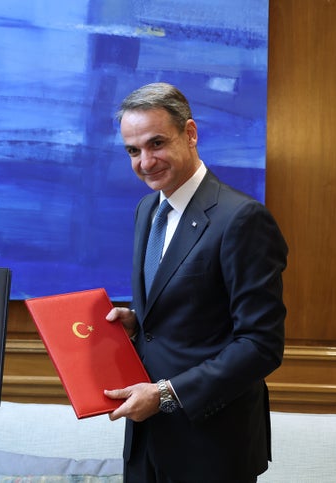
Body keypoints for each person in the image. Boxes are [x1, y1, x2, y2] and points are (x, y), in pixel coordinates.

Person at [104, 82, 288, 483]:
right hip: (146, 443)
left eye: (156, 144)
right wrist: (137, 323)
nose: (145, 161)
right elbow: (185, 311)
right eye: (133, 151)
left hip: (212, 450)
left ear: (190, 134)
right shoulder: (147, 209)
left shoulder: (242, 219)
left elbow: (262, 344)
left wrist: (167, 394)